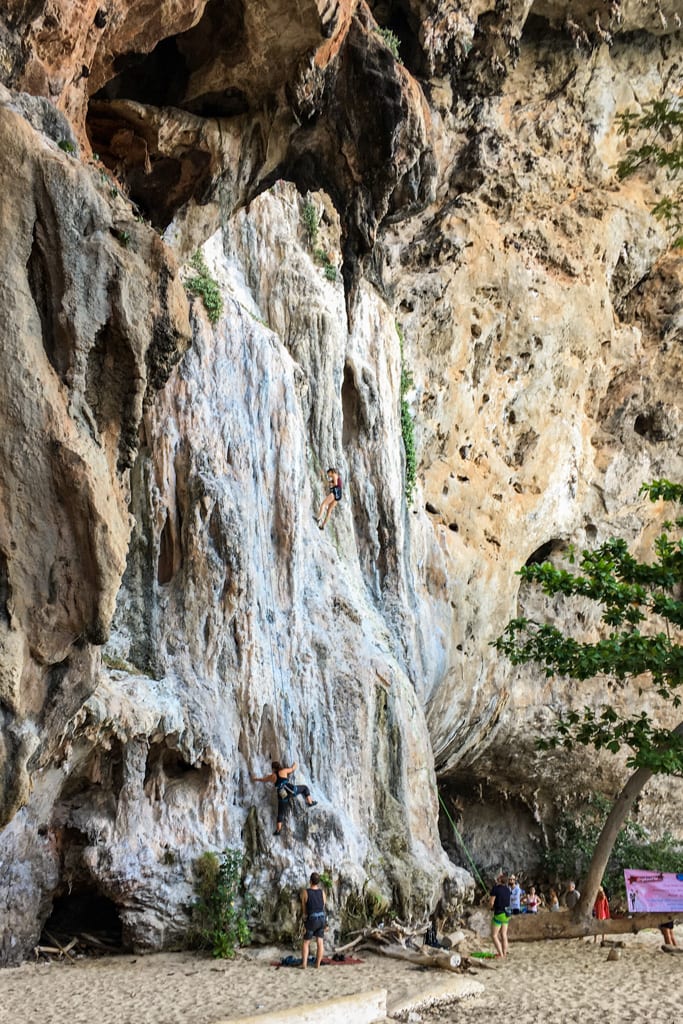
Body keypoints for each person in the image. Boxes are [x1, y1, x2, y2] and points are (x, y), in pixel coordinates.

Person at [251, 760, 317, 835]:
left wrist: (255, 779)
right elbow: (292, 769)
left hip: (282, 795)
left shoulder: (272, 776)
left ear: (273, 769)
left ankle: (278, 830)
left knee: (280, 813)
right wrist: (295, 764)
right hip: (290, 790)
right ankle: (310, 802)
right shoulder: (283, 771)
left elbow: (263, 780)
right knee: (305, 788)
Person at [301, 872, 326, 968]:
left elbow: (304, 908)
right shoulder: (322, 892)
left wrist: (304, 918)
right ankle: (318, 964)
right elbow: (323, 906)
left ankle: (304, 964)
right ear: (318, 882)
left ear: (310, 881)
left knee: (306, 942)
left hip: (312, 919)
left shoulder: (305, 892)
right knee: (320, 942)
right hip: (321, 919)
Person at [490, 872, 512, 958]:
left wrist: (491, 907)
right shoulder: (508, 889)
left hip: (499, 914)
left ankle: (501, 954)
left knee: (494, 935)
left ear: (499, 879)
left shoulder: (495, 889)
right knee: (504, 934)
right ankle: (505, 953)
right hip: (507, 914)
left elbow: (491, 902)